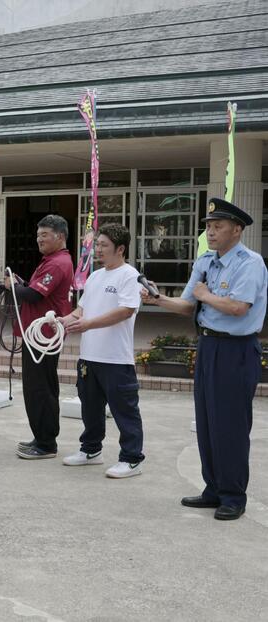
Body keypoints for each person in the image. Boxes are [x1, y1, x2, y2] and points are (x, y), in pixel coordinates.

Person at [142, 198, 266, 520]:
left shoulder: (249, 263)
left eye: (218, 226)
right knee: (208, 422)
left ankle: (233, 496)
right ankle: (213, 489)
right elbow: (187, 305)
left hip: (236, 350)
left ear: (237, 230)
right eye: (208, 226)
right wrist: (157, 299)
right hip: (208, 346)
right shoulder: (206, 261)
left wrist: (205, 296)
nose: (210, 232)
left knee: (231, 425)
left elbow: (240, 307)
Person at [58, 223, 145, 478]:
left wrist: (87, 324)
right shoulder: (95, 276)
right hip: (89, 356)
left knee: (124, 410)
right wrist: (66, 319)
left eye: (103, 245)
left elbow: (125, 310)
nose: (98, 249)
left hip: (116, 358)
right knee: (90, 407)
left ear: (121, 248)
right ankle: (91, 450)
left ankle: (131, 458)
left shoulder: (130, 275)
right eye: (97, 244)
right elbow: (82, 309)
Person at [4, 214, 74, 459]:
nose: (39, 240)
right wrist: (20, 283)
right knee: (39, 388)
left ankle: (46, 444)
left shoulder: (57, 263)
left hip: (42, 339)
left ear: (60, 236)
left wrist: (11, 286)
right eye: (38, 235)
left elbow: (33, 296)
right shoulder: (52, 261)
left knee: (40, 389)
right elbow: (35, 291)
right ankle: (42, 437)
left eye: (45, 235)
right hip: (38, 336)